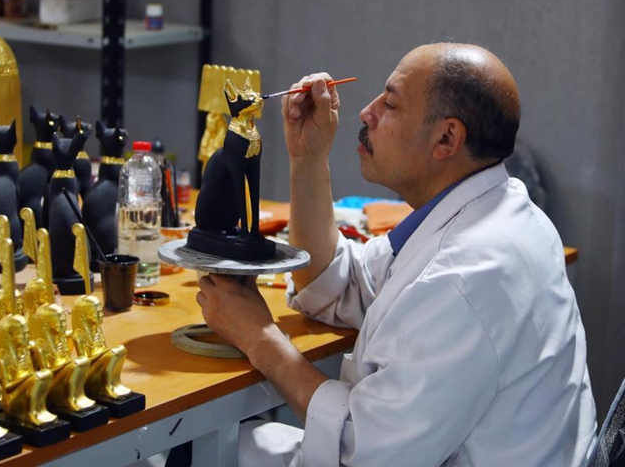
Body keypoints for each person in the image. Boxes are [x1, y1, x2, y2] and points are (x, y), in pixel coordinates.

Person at [196, 43, 597, 466]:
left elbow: (362, 452)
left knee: (209, 450)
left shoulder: (462, 277)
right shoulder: (496, 212)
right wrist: (308, 157)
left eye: (389, 103)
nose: (366, 113)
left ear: (446, 137)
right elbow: (335, 281)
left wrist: (260, 339)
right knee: (229, 443)